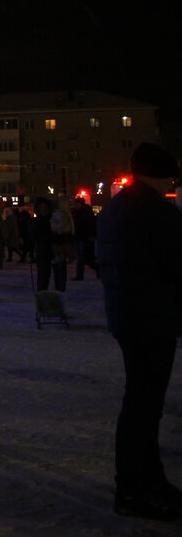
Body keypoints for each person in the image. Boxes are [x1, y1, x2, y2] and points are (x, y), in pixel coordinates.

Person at [96, 143, 182, 522]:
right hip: (152, 315)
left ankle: (148, 480)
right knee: (144, 406)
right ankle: (135, 488)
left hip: (131, 313)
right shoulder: (154, 209)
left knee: (143, 404)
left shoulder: (120, 205)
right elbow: (175, 261)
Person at [32, 197, 62, 292]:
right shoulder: (36, 222)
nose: (43, 209)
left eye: (45, 207)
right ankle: (42, 294)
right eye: (41, 207)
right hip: (42, 251)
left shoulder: (53, 219)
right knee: (43, 275)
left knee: (59, 276)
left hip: (55, 250)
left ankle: (58, 294)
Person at [72, 197, 97, 281]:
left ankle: (80, 274)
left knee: (83, 257)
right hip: (79, 237)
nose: (75, 205)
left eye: (76, 204)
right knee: (82, 257)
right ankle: (80, 274)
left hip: (84, 237)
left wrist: (91, 235)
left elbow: (90, 225)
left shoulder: (85, 213)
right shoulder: (76, 212)